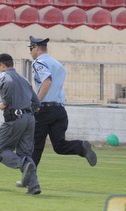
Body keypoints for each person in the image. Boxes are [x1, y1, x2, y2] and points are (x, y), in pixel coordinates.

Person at [27, 35, 97, 171]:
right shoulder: (57, 65)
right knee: (59, 145)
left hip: (45, 109)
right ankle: (81, 147)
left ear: (36, 48)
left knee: (35, 145)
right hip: (59, 110)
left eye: (31, 48)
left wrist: (36, 103)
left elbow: (47, 82)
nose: (30, 52)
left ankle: (29, 177)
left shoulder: (38, 63)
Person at [0, 53, 41, 195]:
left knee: (2, 151)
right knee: (25, 152)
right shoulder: (24, 79)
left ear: (2, 65)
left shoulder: (4, 76)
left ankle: (23, 165)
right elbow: (37, 102)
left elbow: (7, 84)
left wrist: (5, 103)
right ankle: (34, 186)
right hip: (29, 118)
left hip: (14, 118)